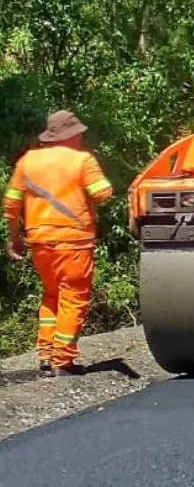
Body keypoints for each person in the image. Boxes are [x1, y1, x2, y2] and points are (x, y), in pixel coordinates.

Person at [3, 111, 113, 376]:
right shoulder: (82, 160)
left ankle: (45, 355)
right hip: (73, 242)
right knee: (74, 297)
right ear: (71, 135)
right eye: (79, 133)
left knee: (52, 295)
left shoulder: (27, 160)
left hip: (40, 242)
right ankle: (62, 361)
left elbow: (11, 203)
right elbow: (102, 193)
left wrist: (14, 239)